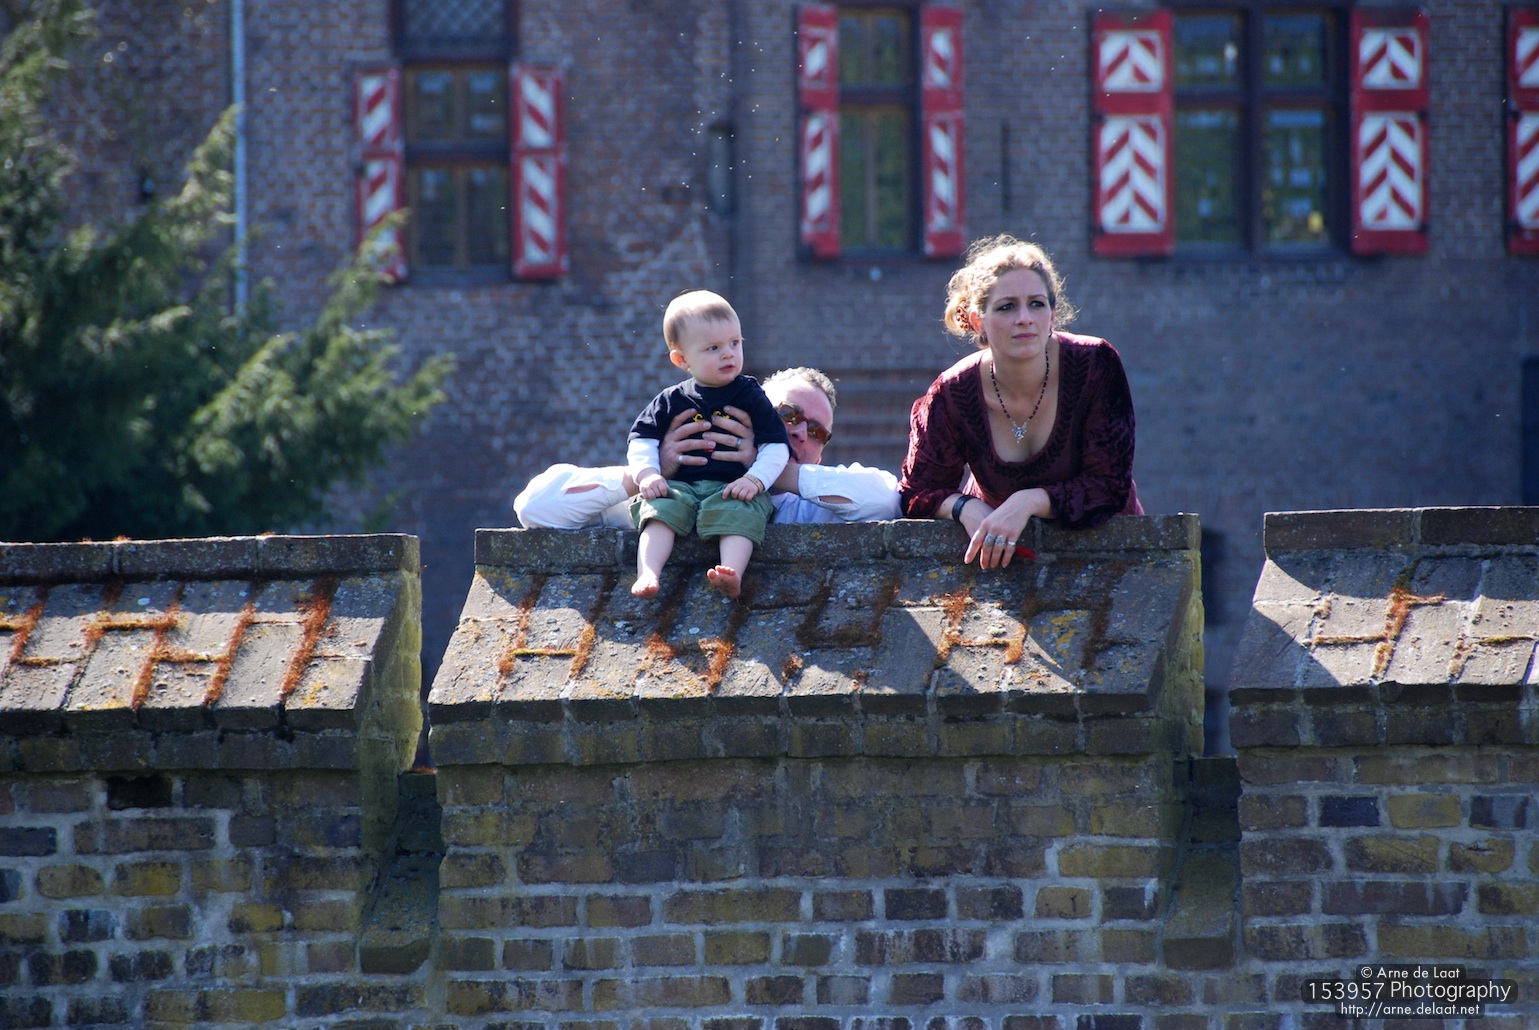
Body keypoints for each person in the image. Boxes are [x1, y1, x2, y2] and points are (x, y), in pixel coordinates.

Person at [899, 234, 1141, 569]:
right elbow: (916, 492)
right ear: (978, 321)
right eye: (1007, 307)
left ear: (1052, 315)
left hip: (1107, 557)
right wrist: (965, 507)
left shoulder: (1095, 364)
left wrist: (1027, 501)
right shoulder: (952, 393)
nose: (1024, 318)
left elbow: (1109, 485)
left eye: (1037, 304)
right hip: (1002, 563)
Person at [513, 367, 900, 529]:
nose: (800, 432)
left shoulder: (813, 507)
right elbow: (534, 507)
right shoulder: (660, 490)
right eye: (787, 413)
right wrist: (649, 473)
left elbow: (888, 501)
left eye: (817, 432)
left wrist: (771, 471)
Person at [627, 291, 789, 599]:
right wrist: (647, 474)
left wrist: (755, 479)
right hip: (681, 486)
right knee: (659, 510)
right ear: (682, 359)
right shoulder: (670, 400)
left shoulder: (751, 395)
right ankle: (648, 572)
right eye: (714, 348)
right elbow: (642, 439)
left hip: (733, 486)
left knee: (741, 513)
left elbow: (776, 445)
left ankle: (732, 572)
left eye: (735, 343)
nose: (728, 354)